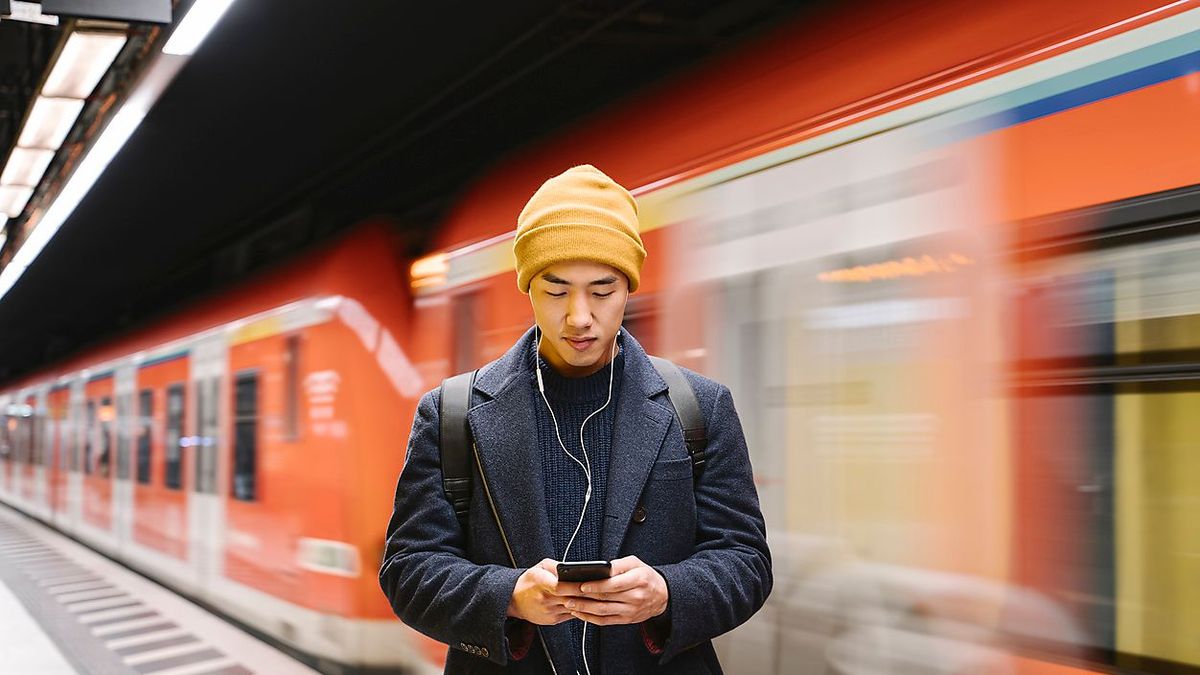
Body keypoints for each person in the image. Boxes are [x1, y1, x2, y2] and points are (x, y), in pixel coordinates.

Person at [379, 165, 771, 674]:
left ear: (628, 288)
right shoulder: (454, 413)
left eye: (602, 291)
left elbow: (747, 562)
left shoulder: (699, 406)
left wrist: (667, 593)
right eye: (556, 290)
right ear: (529, 290)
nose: (580, 316)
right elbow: (408, 570)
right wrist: (510, 598)